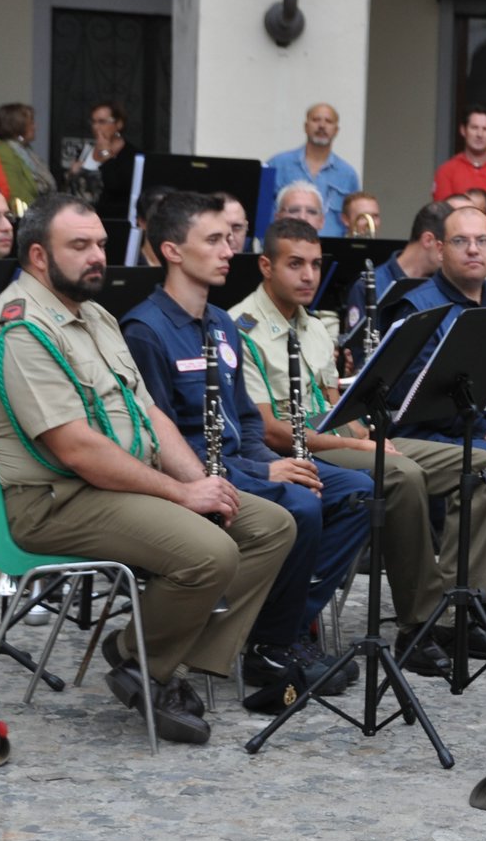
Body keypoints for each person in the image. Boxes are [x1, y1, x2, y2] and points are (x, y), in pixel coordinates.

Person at [0, 193, 295, 743]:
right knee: (211, 551)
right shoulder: (20, 330)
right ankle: (150, 667)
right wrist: (182, 497)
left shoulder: (93, 314)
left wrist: (202, 484)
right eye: (80, 246)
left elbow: (151, 416)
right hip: (54, 501)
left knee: (269, 525)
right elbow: (77, 451)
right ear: (39, 256)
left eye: (102, 244)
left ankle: (147, 654)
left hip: (114, 486)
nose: (98, 256)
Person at [229, 217, 486, 677]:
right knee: (401, 474)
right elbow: (268, 430)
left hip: (344, 438)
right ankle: (419, 623)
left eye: (316, 265)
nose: (308, 276)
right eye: (295, 264)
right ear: (266, 266)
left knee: (483, 466)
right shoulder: (242, 326)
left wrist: (368, 435)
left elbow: (338, 405)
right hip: (298, 450)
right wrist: (366, 449)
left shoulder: (315, 325)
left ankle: (462, 610)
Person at [122, 191, 370, 696]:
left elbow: (245, 424)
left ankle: (281, 627)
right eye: (213, 240)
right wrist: (264, 475)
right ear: (172, 250)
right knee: (300, 503)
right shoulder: (145, 331)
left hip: (241, 465)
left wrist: (275, 463)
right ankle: (271, 651)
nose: (226, 250)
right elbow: (160, 447)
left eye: (228, 238)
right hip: (192, 482)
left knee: (358, 491)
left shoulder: (220, 324)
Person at [386, 203, 486, 650]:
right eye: (461, 241)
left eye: (482, 241)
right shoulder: (418, 307)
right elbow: (419, 398)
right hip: (428, 433)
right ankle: (468, 608)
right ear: (440, 249)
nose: (473, 250)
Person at [265, 103, 361, 238]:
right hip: (284, 249)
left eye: (328, 121)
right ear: (305, 126)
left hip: (331, 252)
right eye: (316, 120)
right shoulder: (277, 164)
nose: (322, 125)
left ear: (336, 130)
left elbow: (354, 220)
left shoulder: (348, 175)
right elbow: (261, 212)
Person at [64, 101, 139, 221]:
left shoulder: (130, 154)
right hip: (78, 218)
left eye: (102, 122)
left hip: (110, 220)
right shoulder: (86, 150)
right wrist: (72, 174)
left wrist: (106, 155)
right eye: (93, 122)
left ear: (118, 124)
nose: (96, 127)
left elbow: (117, 186)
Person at [0, 102, 57, 208]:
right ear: (17, 125)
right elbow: (15, 193)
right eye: (31, 123)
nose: (35, 127)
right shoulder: (4, 151)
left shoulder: (24, 149)